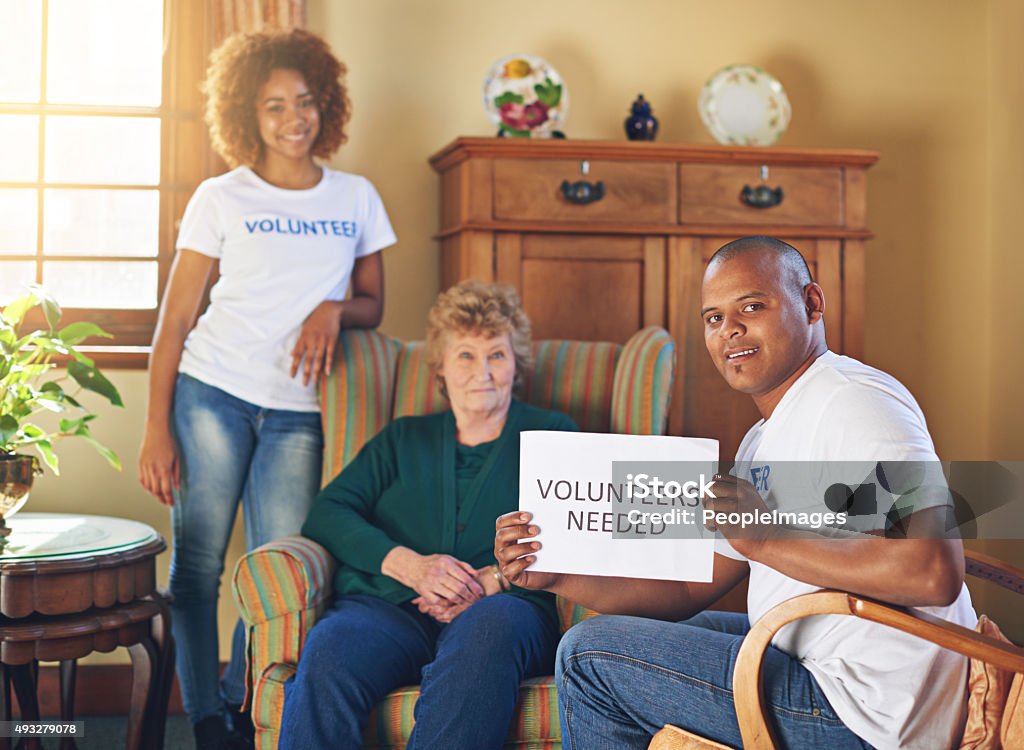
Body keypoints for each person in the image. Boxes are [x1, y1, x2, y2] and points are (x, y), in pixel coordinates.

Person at [496, 236, 977, 750]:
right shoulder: (761, 442)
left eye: (752, 306)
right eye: (713, 318)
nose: (731, 330)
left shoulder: (854, 403)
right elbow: (685, 591)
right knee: (622, 636)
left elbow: (932, 570)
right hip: (810, 665)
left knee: (589, 657)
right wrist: (559, 574)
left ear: (812, 304)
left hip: (866, 713)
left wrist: (767, 540)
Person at [136, 29, 396, 750]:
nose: (293, 117)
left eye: (305, 101)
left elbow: (374, 303)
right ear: (247, 114)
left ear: (326, 105)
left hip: (298, 411)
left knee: (274, 572)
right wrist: (156, 427)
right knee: (196, 567)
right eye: (275, 105)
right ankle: (208, 722)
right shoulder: (223, 196)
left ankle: (246, 701)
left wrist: (332, 307)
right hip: (211, 392)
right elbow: (178, 317)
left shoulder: (356, 196)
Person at [279, 280, 576, 749]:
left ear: (515, 363)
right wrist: (411, 566)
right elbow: (328, 511)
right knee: (332, 649)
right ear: (440, 367)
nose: (483, 371)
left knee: (487, 631)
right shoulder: (402, 438)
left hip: (506, 609)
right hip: (389, 607)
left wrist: (492, 581)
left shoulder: (554, 433)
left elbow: (578, 526)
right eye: (466, 355)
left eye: (497, 354)